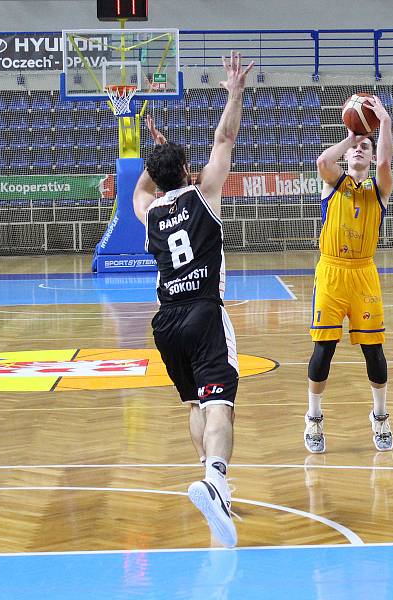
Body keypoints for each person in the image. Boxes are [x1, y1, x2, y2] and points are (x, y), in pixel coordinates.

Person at [132, 51, 253, 547]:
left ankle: (209, 476)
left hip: (166, 322)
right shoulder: (204, 192)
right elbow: (225, 138)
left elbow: (143, 187)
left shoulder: (149, 212)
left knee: (194, 402)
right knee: (220, 401)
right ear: (187, 169)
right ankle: (217, 481)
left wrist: (157, 157)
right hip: (204, 311)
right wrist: (234, 91)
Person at [304, 95, 393, 454]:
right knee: (323, 350)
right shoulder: (333, 182)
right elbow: (323, 160)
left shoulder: (379, 188)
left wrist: (382, 123)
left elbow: (387, 161)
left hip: (363, 275)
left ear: (371, 158)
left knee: (374, 352)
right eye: (356, 148)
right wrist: (352, 134)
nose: (360, 150)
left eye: (366, 148)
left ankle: (381, 416)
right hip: (331, 272)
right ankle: (313, 419)